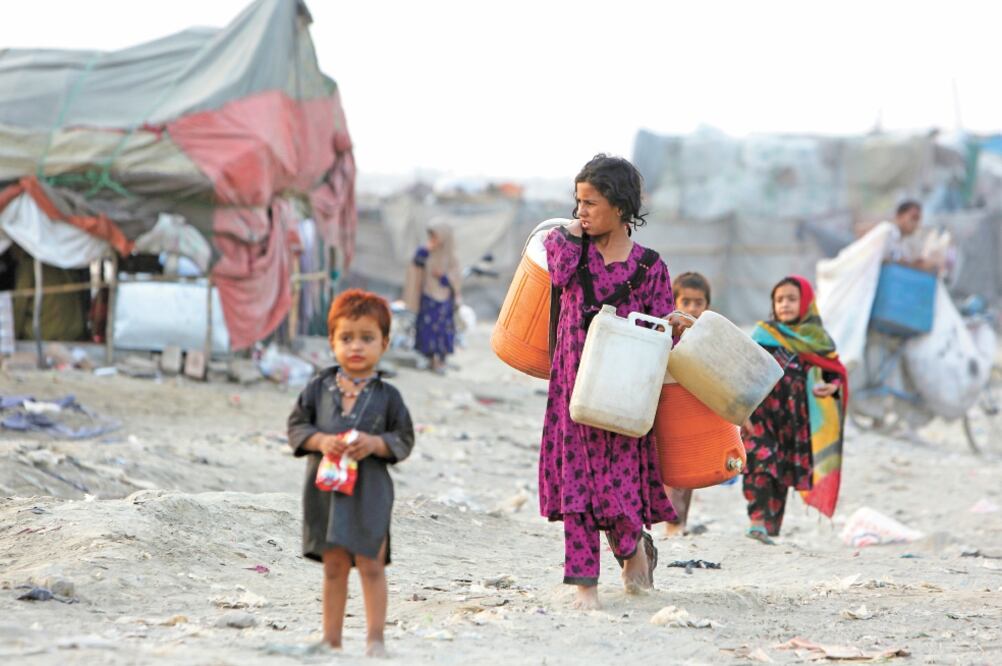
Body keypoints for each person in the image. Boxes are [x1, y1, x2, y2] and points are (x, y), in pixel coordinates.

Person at [541, 154, 692, 610]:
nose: (580, 212)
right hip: (574, 390)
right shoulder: (569, 249)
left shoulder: (650, 267)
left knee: (620, 488)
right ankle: (585, 583)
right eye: (577, 202)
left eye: (591, 203)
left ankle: (634, 550)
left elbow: (658, 327)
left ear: (621, 207)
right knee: (578, 488)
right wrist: (569, 231)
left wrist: (674, 322)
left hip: (625, 394)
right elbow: (557, 265)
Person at [287, 289, 415, 656]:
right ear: (332, 342)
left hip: (371, 490)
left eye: (367, 338)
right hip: (325, 490)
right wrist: (321, 441)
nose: (356, 346)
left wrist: (376, 445)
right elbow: (297, 428)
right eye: (346, 338)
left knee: (371, 563)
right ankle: (331, 639)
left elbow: (403, 437)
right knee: (334, 565)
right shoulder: (318, 389)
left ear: (384, 344)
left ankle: (375, 640)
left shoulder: (388, 396)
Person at [742, 276, 848, 544]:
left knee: (781, 472)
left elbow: (835, 373)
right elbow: (743, 368)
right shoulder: (764, 334)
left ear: (806, 303)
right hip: (760, 415)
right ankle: (757, 520)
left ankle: (770, 526)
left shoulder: (817, 340)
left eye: (791, 299)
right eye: (779, 300)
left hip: (793, 421)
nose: (785, 304)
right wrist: (739, 412)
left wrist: (832, 388)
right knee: (760, 462)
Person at [663, 271, 711, 538]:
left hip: (693, 409)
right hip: (667, 407)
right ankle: (665, 522)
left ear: (707, 306)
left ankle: (678, 523)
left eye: (699, 303)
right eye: (686, 302)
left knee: (687, 471)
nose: (692, 308)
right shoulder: (666, 331)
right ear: (674, 303)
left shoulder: (708, 334)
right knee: (665, 469)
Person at [403, 223, 462, 374]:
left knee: (442, 329)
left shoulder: (452, 257)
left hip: (443, 299)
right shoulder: (426, 252)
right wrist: (425, 249)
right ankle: (428, 359)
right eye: (432, 236)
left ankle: (440, 360)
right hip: (428, 295)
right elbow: (416, 262)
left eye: (436, 236)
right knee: (426, 327)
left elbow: (454, 279)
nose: (433, 239)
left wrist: (442, 276)